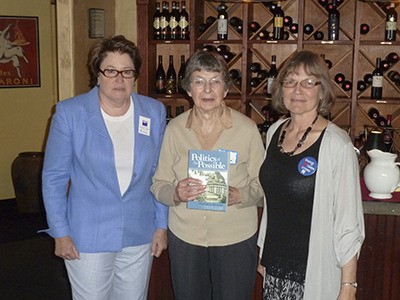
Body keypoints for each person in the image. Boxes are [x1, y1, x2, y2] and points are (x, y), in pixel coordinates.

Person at [41, 35, 168, 300]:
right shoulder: (69, 114)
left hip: (138, 231)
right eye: (110, 71)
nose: (119, 79)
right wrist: (60, 233)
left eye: (127, 71)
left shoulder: (153, 112)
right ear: (97, 74)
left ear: (135, 76)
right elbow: (54, 177)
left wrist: (161, 225)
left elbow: (161, 172)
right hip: (87, 235)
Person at [151, 50, 265, 299]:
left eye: (215, 81)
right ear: (188, 89)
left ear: (225, 89)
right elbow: (158, 184)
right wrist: (176, 193)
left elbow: (264, 185)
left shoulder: (247, 129)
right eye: (199, 81)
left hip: (235, 237)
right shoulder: (174, 129)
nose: (207, 89)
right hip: (186, 238)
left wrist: (241, 194)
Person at [257, 50, 365, 299]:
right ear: (280, 88)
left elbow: (349, 222)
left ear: (322, 90)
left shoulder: (337, 145)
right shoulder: (275, 132)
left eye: (308, 82)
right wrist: (263, 251)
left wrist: (348, 287)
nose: (298, 90)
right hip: (274, 267)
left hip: (314, 270)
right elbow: (273, 202)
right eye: (291, 81)